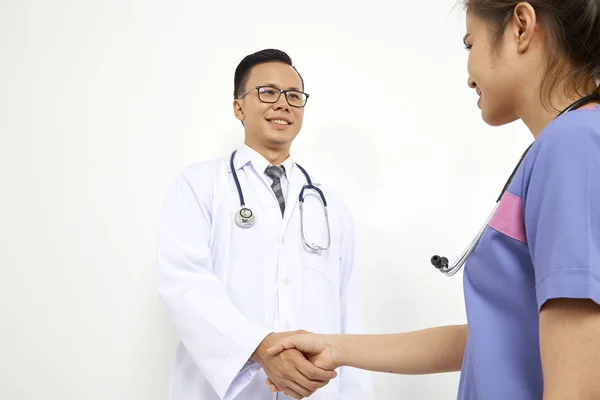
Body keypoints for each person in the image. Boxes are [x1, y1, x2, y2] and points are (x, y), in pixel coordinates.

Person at [266, 1, 600, 399]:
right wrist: (336, 347)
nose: (468, 75)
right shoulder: (567, 145)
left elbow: (576, 385)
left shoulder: (573, 144)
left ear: (522, 27)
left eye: (469, 44)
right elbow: (500, 339)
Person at [156, 49, 374, 400]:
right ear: (238, 107)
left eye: (294, 96)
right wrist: (258, 347)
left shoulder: (329, 203)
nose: (283, 104)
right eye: (268, 92)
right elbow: (185, 285)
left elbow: (348, 312)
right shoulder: (199, 185)